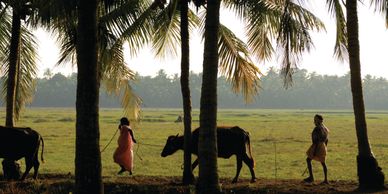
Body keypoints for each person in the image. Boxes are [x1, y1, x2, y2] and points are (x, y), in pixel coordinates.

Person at [304, 114, 329, 184]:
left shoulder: (317, 128)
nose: (314, 121)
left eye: (315, 120)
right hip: (323, 146)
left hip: (317, 145)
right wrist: (325, 147)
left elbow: (315, 139)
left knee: (308, 159)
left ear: (319, 120)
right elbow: (327, 139)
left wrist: (314, 150)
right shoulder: (325, 128)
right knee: (323, 162)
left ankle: (311, 177)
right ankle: (325, 180)